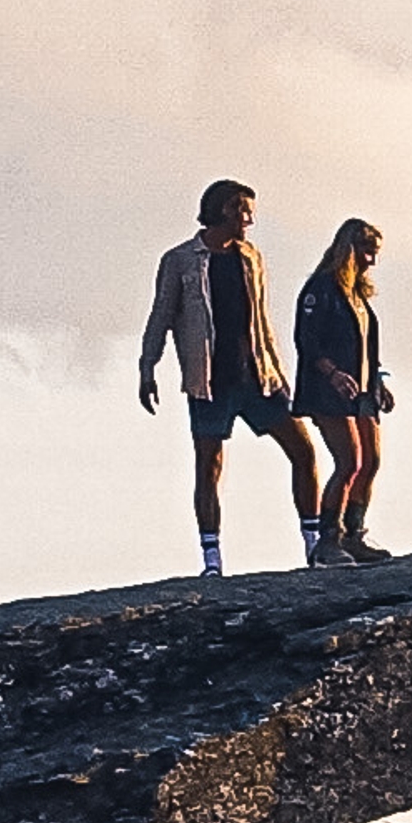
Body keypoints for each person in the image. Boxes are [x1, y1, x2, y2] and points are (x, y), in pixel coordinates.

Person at [139, 178, 326, 579]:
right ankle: (212, 560)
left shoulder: (251, 257)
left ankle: (314, 545)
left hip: (258, 376)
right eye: (243, 210)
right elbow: (161, 315)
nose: (250, 219)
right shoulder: (181, 260)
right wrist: (147, 366)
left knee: (303, 449)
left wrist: (278, 371)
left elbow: (262, 320)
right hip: (210, 381)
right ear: (224, 209)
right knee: (209, 464)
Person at [293, 216, 394, 557]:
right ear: (349, 248)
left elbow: (365, 345)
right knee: (348, 461)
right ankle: (329, 540)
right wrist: (332, 373)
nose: (372, 260)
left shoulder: (357, 296)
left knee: (371, 461)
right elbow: (307, 340)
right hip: (329, 392)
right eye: (367, 251)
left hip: (363, 391)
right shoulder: (321, 290)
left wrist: (378, 379)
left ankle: (355, 534)